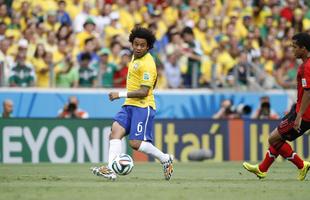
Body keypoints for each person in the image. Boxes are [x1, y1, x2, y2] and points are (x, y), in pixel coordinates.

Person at [91, 27, 174, 181]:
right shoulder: (135, 57)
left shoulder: (148, 63)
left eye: (142, 45)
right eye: (136, 44)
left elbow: (144, 91)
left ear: (148, 46)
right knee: (115, 132)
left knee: (135, 143)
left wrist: (119, 94)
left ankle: (165, 159)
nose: (138, 47)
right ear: (132, 44)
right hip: (129, 104)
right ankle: (110, 170)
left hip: (142, 106)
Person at [243, 32, 310, 181]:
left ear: (303, 49)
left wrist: (299, 115)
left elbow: (308, 92)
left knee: (273, 139)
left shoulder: (307, 67)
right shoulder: (306, 65)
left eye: (294, 47)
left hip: (303, 113)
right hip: (300, 109)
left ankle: (301, 165)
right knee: (278, 139)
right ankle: (262, 169)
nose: (292, 50)